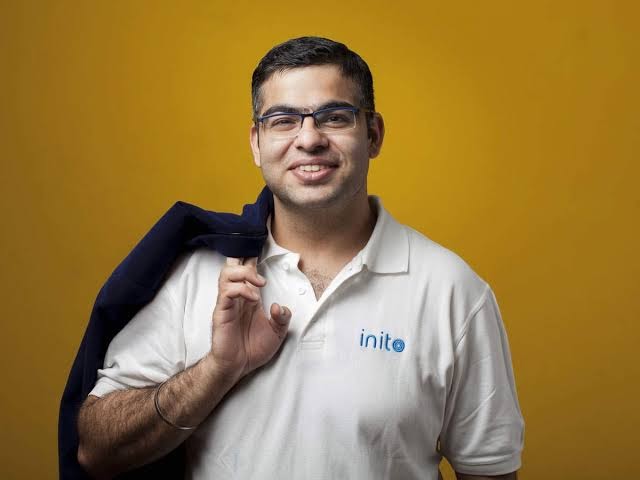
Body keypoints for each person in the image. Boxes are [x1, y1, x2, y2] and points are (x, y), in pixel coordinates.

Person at [76, 36, 524, 479]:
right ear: (257, 142)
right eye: (283, 120)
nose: (309, 139)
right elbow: (95, 450)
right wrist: (217, 369)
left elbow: (489, 472)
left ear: (373, 134)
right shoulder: (198, 273)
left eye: (335, 117)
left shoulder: (451, 290)